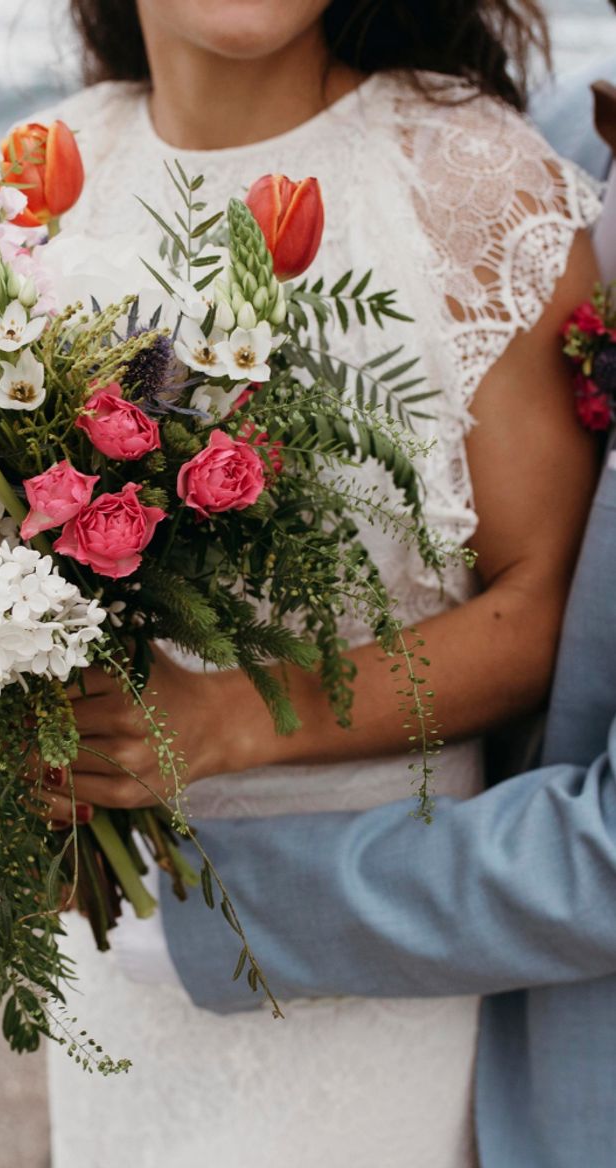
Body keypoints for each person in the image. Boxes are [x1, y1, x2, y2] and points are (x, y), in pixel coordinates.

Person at [35, 2, 599, 1164]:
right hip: (105, 952)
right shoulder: (39, 174)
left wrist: (229, 721)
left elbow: (543, 605)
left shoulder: (474, 179)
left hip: (386, 934)